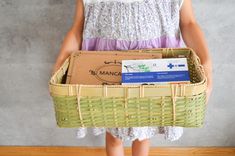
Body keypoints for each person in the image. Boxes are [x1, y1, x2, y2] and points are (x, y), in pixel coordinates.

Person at [51, 0, 213, 156]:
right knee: (114, 133)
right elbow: (77, 29)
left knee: (144, 130)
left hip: (153, 73)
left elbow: (188, 23)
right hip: (107, 74)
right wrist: (60, 62)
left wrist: (206, 63)